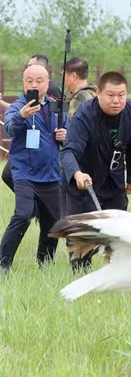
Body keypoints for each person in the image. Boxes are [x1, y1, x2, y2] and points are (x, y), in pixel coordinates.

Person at [60, 71, 131, 271]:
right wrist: (77, 173)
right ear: (98, 93)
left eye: (121, 95)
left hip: (114, 182)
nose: (117, 100)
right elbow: (68, 152)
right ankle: (80, 277)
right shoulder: (84, 115)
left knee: (116, 235)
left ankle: (112, 278)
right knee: (83, 240)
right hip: (84, 183)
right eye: (110, 95)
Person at [0, 65, 67, 273]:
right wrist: (22, 116)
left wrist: (65, 135)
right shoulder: (17, 107)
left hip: (51, 174)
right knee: (23, 214)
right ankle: (3, 263)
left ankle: (44, 264)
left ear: (48, 83)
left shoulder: (57, 107)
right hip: (24, 173)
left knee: (53, 222)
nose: (34, 85)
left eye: (39, 80)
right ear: (23, 83)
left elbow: (68, 132)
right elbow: (9, 127)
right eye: (29, 80)